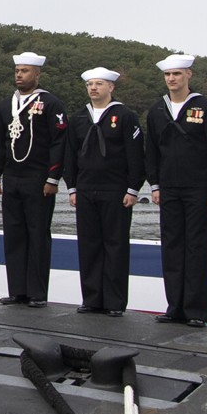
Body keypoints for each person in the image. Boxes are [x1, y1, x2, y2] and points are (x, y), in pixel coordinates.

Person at [144, 54, 207, 327]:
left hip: (199, 189)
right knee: (172, 247)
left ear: (188, 75)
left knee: (198, 249)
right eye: (168, 75)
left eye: (177, 74)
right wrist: (154, 185)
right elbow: (152, 151)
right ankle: (174, 307)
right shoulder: (158, 109)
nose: (171, 79)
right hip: (168, 188)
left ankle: (196, 310)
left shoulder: (206, 107)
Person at [0, 53, 67, 307]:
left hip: (38, 179)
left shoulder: (50, 103)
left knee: (37, 235)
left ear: (37, 74)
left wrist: (53, 177)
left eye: (25, 71)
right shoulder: (5, 105)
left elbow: (59, 142)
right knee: (14, 235)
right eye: (17, 71)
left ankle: (37, 292)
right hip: (12, 178)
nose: (19, 75)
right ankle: (17, 290)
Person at [63, 68, 145, 316]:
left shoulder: (125, 115)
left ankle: (114, 301)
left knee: (115, 246)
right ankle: (92, 298)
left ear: (111, 87)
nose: (93, 88)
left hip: (115, 190)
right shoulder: (79, 118)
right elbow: (70, 154)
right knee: (89, 245)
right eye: (90, 84)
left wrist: (133, 188)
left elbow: (135, 155)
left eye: (99, 84)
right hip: (86, 188)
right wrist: (72, 187)